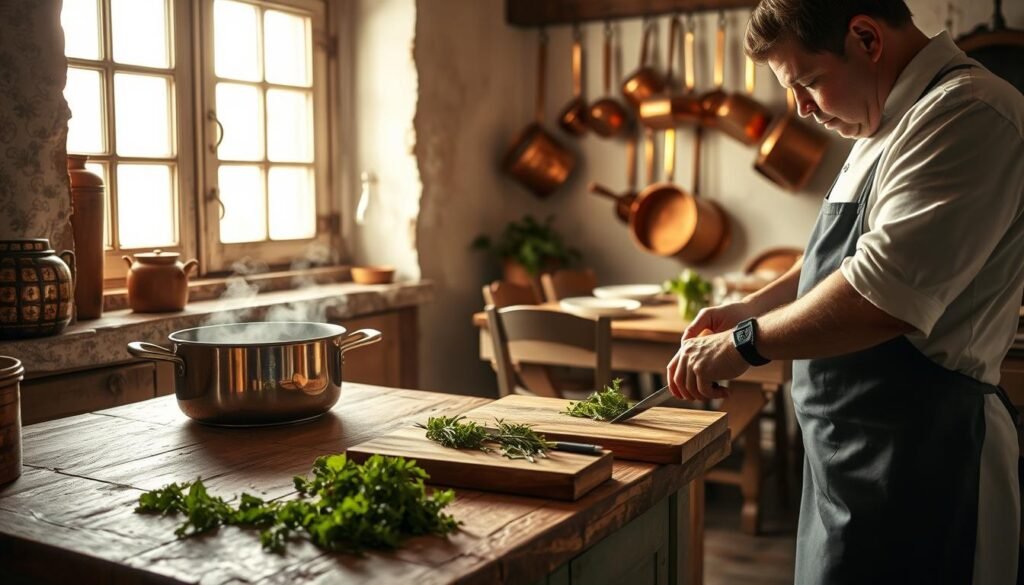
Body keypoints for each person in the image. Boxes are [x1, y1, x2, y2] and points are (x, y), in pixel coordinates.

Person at [665, 1, 1024, 583]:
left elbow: (880, 294)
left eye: (808, 83)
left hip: (928, 461)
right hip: (845, 459)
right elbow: (834, 261)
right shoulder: (880, 125)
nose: (802, 109)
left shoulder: (968, 114)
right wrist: (750, 307)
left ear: (865, 38)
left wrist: (745, 342)